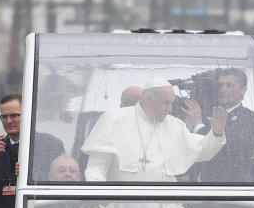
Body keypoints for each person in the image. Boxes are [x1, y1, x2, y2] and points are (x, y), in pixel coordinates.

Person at [81, 77, 228, 182]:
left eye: (172, 103)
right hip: (124, 207)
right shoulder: (114, 119)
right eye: (165, 103)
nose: (170, 109)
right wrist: (99, 191)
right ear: (148, 99)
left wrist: (217, 132)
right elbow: (96, 167)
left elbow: (203, 150)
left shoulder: (175, 126)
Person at [190, 67, 254, 183]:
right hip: (196, 192)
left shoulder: (252, 120)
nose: (223, 90)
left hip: (232, 193)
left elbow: (228, 152)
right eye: (220, 85)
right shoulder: (204, 113)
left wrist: (198, 125)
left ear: (243, 91)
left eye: (229, 86)